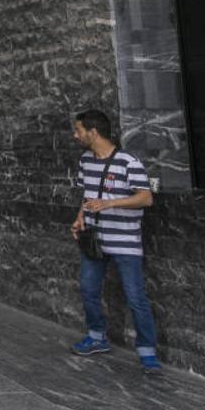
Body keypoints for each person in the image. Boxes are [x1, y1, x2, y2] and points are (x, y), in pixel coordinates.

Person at [68, 110, 161, 374]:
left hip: (125, 241)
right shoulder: (86, 160)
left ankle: (147, 352)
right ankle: (97, 337)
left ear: (93, 132)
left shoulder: (128, 162)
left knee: (135, 297)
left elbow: (145, 198)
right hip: (95, 238)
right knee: (88, 290)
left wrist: (110, 202)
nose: (76, 135)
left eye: (78, 130)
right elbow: (87, 195)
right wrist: (80, 218)